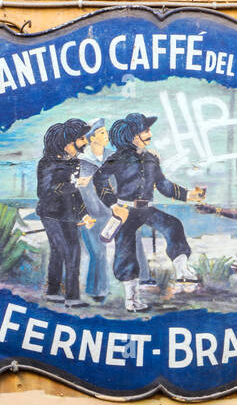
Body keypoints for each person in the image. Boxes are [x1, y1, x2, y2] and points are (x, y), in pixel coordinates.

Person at [93, 112, 206, 312]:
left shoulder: (150, 159)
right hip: (125, 210)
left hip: (147, 208)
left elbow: (163, 186)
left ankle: (182, 270)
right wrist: (112, 205)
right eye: (145, 130)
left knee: (173, 225)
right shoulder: (116, 159)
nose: (149, 134)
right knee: (124, 249)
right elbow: (99, 180)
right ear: (132, 135)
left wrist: (189, 195)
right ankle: (131, 299)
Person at [76, 119, 151, 302]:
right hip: (91, 212)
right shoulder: (80, 162)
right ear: (92, 137)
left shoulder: (114, 156)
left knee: (134, 239)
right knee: (98, 251)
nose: (106, 135)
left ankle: (143, 278)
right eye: (101, 132)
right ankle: (97, 291)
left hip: (115, 208)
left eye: (106, 132)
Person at [35, 119, 96, 305]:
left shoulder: (74, 162)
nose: (84, 143)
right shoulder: (46, 163)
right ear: (66, 143)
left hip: (69, 214)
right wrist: (74, 184)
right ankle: (71, 297)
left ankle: (55, 292)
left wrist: (84, 214)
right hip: (50, 214)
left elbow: (76, 195)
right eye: (80, 139)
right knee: (66, 251)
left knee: (68, 252)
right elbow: (44, 191)